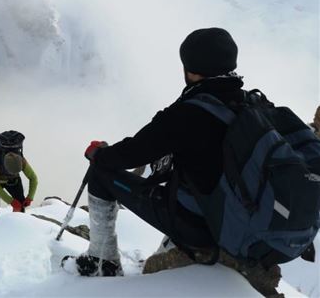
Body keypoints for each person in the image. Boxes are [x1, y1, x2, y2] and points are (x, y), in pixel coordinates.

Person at [69, 28, 298, 296]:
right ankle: (169, 252)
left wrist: (98, 154)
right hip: (246, 222)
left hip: (202, 228)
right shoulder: (253, 105)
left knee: (101, 173)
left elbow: (132, 153)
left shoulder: (189, 112)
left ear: (190, 68)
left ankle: (101, 261)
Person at [0, 130, 38, 223]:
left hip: (13, 181)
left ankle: (17, 225)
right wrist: (11, 201)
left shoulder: (21, 161)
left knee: (20, 206)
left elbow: (33, 178)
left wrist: (30, 197)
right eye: (11, 173)